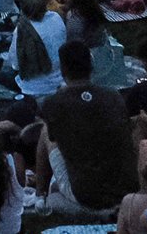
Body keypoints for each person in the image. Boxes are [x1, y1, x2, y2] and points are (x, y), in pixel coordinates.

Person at [35, 41, 134, 215]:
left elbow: (53, 139)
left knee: (45, 130)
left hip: (87, 192)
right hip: (123, 186)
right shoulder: (114, 96)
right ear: (91, 66)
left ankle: (39, 197)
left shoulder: (53, 103)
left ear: (63, 69)